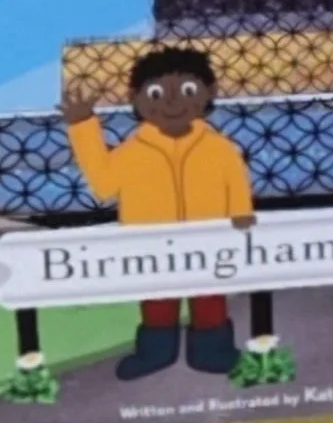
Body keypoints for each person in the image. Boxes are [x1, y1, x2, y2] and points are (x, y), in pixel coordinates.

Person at [61, 44, 257, 380]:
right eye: (155, 92)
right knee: (156, 302)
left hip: (208, 244)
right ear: (136, 99)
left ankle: (212, 352)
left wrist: (240, 216)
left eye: (187, 90)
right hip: (150, 247)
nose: (171, 102)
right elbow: (104, 183)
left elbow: (235, 181)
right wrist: (83, 127)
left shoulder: (220, 148)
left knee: (209, 299)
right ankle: (156, 354)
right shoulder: (132, 152)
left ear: (209, 93)